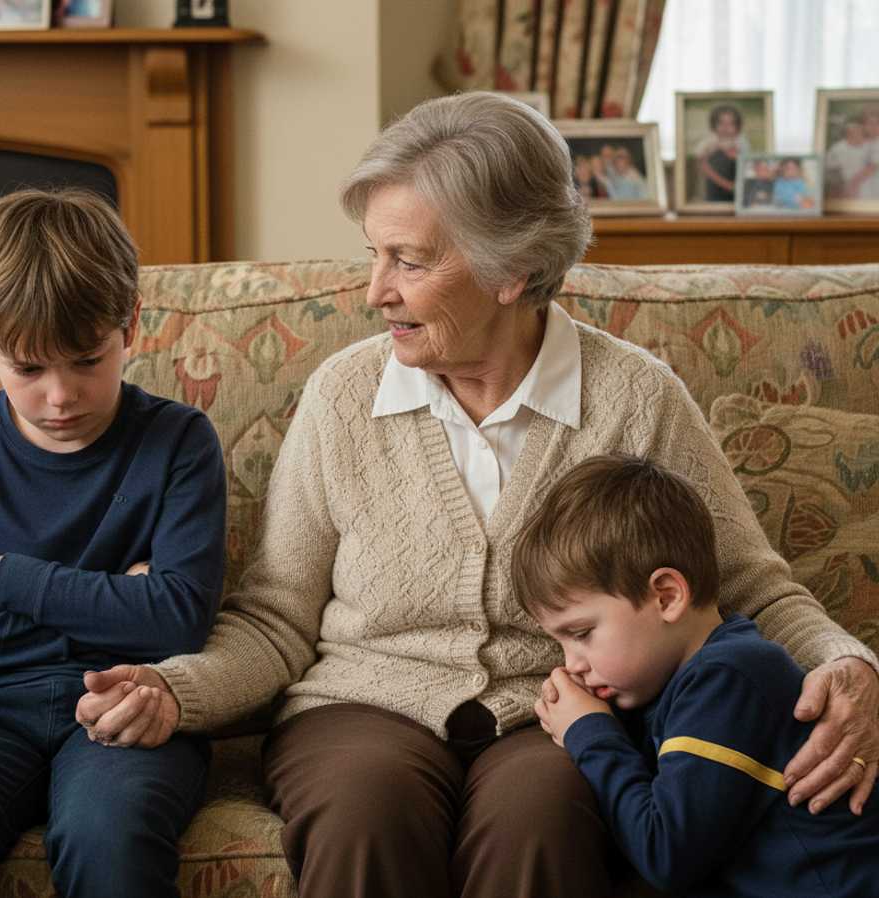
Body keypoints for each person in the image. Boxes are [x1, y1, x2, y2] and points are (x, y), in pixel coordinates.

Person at [77, 92, 879, 898]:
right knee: (364, 812)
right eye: (374, 254)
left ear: (513, 269)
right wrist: (176, 687)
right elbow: (278, 617)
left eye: (409, 261)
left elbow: (747, 587)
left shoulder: (637, 399)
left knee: (544, 817)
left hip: (554, 714)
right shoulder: (344, 396)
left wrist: (849, 665)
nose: (374, 292)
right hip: (360, 705)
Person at [0, 188, 227, 898]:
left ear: (132, 326)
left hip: (131, 701)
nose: (59, 396)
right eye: (27, 369)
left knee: (110, 840)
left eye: (86, 361)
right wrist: (120, 602)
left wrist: (1, 579)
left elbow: (180, 618)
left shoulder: (180, 442)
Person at [520, 454, 879, 897]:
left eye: (582, 633)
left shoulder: (729, 678)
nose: (571, 663)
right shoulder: (678, 681)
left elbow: (665, 854)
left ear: (667, 596)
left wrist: (588, 731)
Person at [694, 104, 750, 203]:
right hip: (714, 188)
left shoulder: (740, 141)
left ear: (738, 127)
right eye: (721, 123)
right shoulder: (710, 140)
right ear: (714, 126)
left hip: (734, 185)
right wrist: (716, 148)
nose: (726, 128)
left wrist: (734, 155)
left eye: (731, 124)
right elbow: (699, 156)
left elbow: (745, 160)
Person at [825, 116, 874, 199]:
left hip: (870, 189)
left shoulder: (871, 146)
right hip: (846, 190)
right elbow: (828, 168)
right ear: (847, 133)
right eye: (853, 131)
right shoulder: (838, 148)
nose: (856, 133)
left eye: (859, 130)